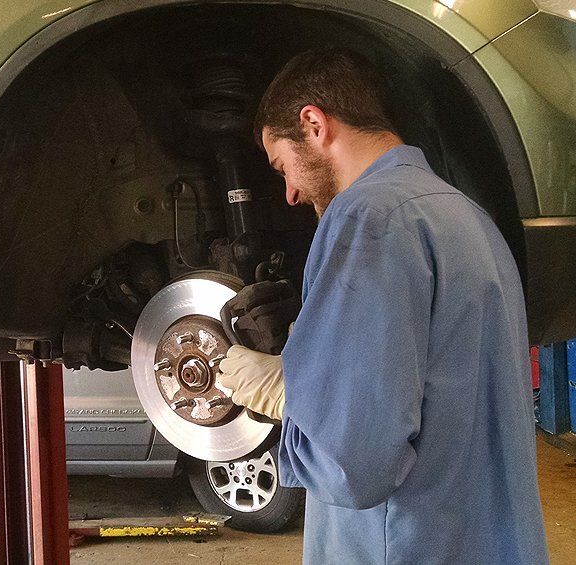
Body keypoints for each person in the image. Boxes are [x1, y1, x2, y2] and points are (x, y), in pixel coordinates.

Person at [216, 49, 549, 564]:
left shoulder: (367, 217)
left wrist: (293, 396)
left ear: (313, 124)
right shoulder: (465, 215)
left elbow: (356, 464)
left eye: (282, 166)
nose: (289, 193)